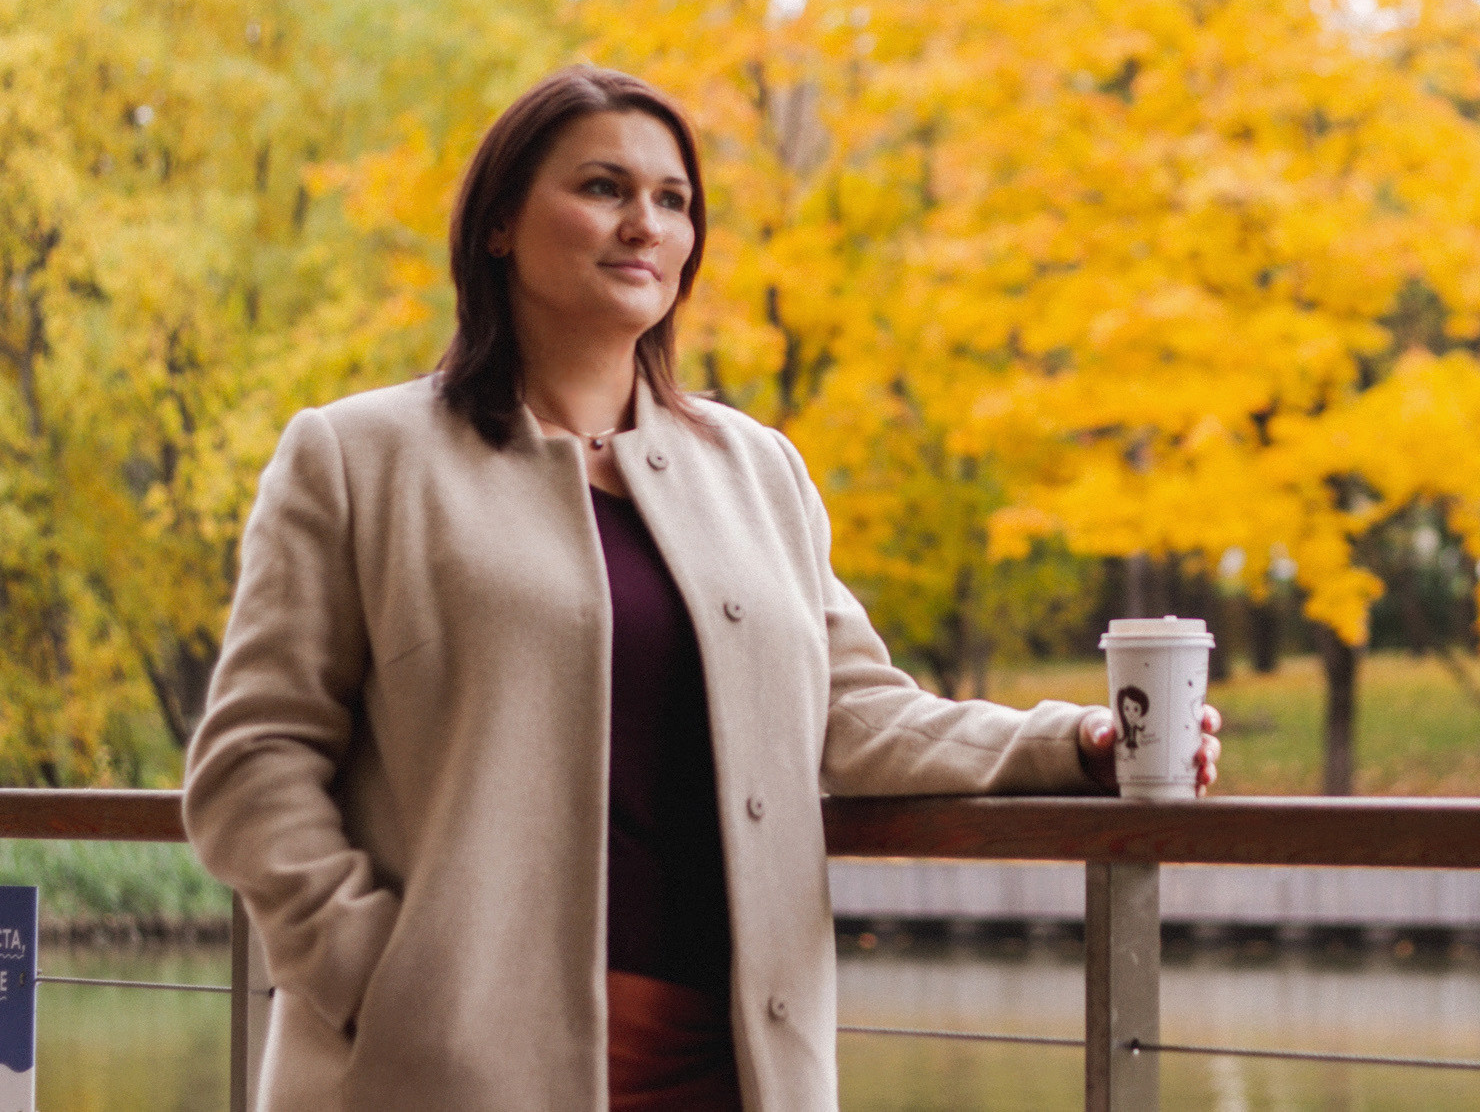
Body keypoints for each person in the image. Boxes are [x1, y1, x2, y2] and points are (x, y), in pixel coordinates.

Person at [180, 65, 1222, 1112]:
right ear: (498, 223)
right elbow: (250, 763)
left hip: (735, 1061)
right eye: (602, 188)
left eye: (673, 200)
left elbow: (852, 714)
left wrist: (1073, 746)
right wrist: (381, 977)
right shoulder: (359, 458)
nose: (645, 223)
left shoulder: (757, 469)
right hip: (455, 1067)